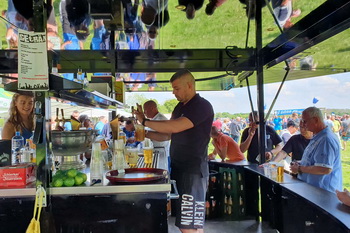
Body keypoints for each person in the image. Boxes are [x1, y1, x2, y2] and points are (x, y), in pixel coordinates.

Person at [133, 69, 214, 232]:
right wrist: (145, 133)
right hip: (180, 168)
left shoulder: (201, 106)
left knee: (189, 224)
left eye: (176, 88)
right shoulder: (179, 107)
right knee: (190, 223)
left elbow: (175, 126)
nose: (173, 92)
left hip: (193, 171)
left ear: (189, 85)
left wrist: (145, 121)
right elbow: (168, 135)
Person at [290, 107, 343, 193]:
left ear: (315, 120)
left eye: (305, 121)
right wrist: (300, 163)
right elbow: (315, 161)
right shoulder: (318, 136)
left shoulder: (326, 139)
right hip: (314, 191)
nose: (303, 124)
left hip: (323, 193)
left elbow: (324, 169)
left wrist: (299, 168)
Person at [143, 100, 170, 170]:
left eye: (145, 110)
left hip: (160, 151)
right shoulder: (155, 119)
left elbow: (163, 136)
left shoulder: (160, 119)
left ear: (152, 108)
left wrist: (144, 133)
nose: (144, 113)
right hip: (156, 150)